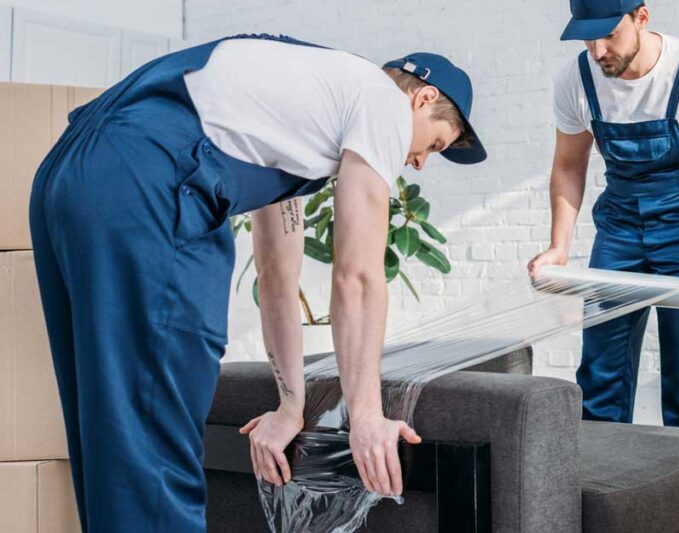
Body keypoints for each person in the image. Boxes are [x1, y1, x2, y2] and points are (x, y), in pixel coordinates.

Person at [28, 33, 486, 531]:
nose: (418, 162)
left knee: (113, 425)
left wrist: (291, 405)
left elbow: (276, 279)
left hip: (72, 172)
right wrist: (368, 418)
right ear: (423, 98)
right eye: (434, 144)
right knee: (155, 435)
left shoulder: (301, 108)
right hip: (148, 179)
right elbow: (356, 276)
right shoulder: (381, 101)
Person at [528, 0, 679, 430]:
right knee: (600, 373)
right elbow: (569, 165)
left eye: (607, 36)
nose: (598, 51)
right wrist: (559, 246)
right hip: (621, 228)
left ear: (642, 17)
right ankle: (599, 485)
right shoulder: (577, 80)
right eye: (587, 40)